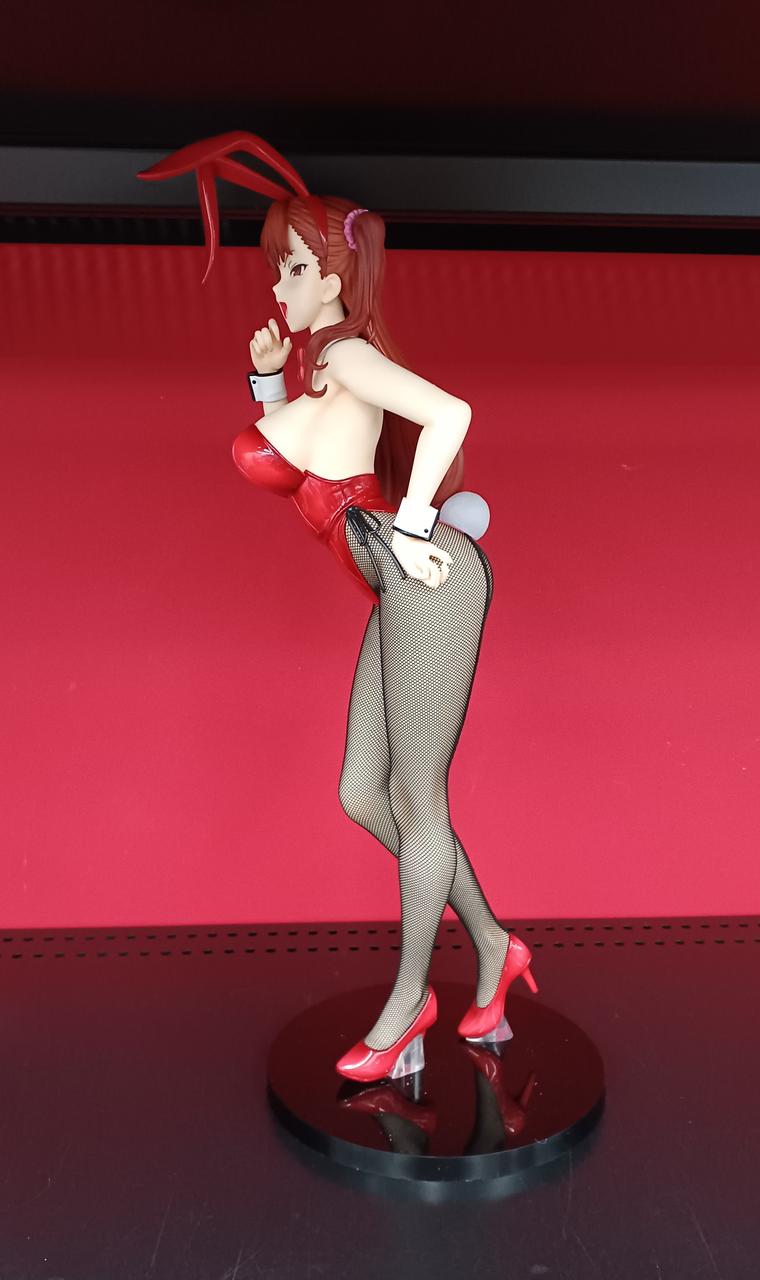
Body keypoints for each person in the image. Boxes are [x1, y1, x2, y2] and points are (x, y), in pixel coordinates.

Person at [137, 132, 538, 1084]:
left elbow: (450, 414)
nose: (278, 283)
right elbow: (299, 464)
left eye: (293, 266)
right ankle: (493, 943)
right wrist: (267, 379)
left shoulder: (351, 356)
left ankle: (408, 1006)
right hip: (394, 583)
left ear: (336, 275)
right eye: (275, 266)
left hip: (424, 575)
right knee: (363, 793)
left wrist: (412, 525)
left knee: (417, 797)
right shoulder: (323, 369)